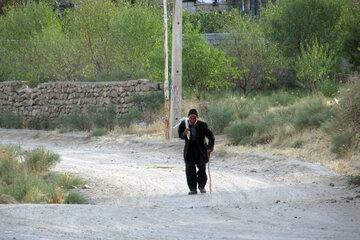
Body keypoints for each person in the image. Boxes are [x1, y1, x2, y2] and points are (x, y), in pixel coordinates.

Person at [178, 108, 215, 195]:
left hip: (200, 150)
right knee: (190, 169)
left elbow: (211, 137)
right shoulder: (184, 124)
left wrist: (209, 148)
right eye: (191, 118)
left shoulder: (202, 125)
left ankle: (201, 186)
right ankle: (192, 189)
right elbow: (180, 135)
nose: (192, 120)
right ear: (188, 117)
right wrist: (184, 134)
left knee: (202, 167)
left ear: (197, 118)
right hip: (189, 150)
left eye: (194, 118)